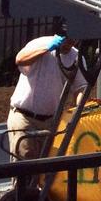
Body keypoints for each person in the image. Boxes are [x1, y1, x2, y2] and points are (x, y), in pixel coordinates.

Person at [6, 32, 88, 178]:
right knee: (24, 168)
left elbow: (80, 88)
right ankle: (21, 199)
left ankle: (41, 200)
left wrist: (79, 112)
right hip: (25, 117)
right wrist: (48, 48)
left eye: (73, 41)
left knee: (47, 171)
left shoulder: (75, 57)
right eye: (67, 40)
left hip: (51, 121)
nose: (70, 44)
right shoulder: (40, 44)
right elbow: (20, 60)